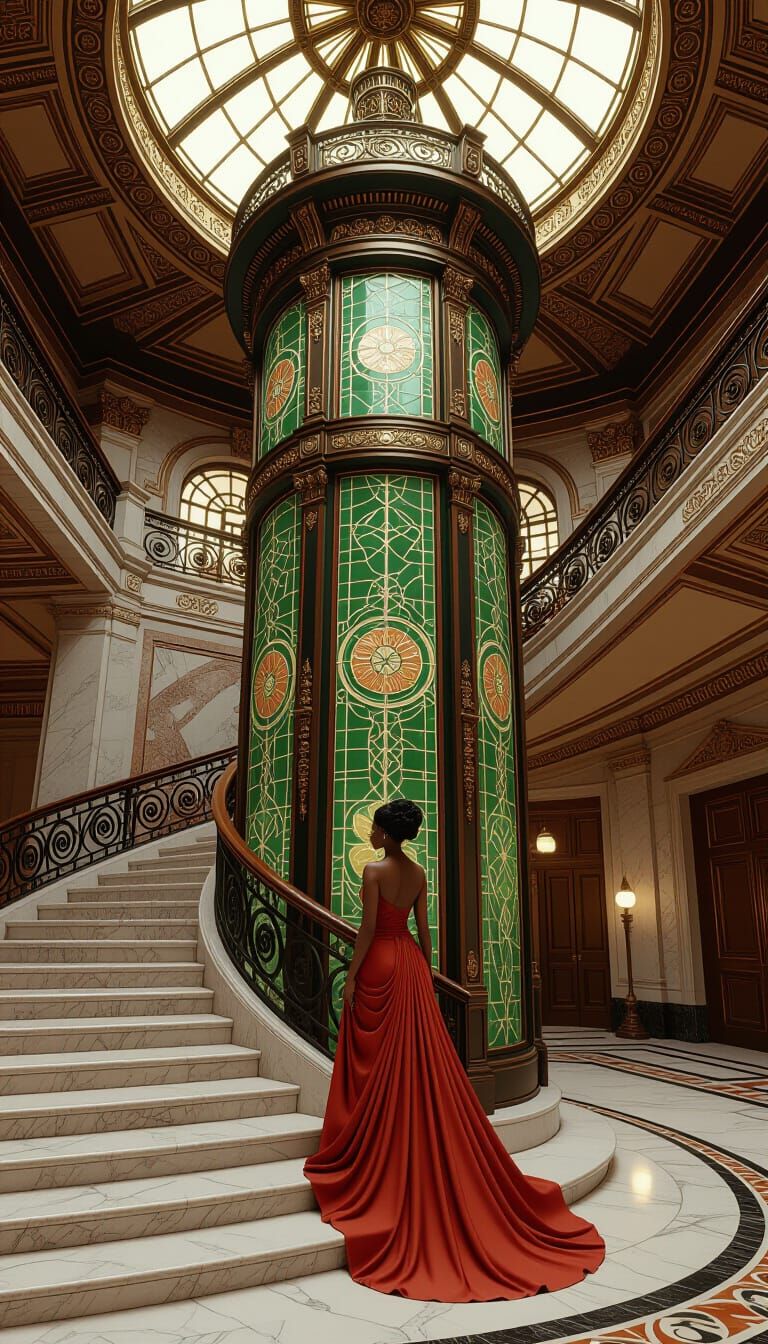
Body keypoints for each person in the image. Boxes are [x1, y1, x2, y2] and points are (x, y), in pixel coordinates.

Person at [303, 797, 605, 1302]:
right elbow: (423, 933)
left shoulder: (374, 871)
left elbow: (369, 931)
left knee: (375, 1058)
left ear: (385, 832)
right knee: (415, 1055)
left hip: (380, 962)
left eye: (375, 827)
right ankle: (404, 1119)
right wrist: (426, 972)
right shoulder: (419, 872)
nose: (372, 835)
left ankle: (375, 1132)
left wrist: (353, 978)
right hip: (413, 968)